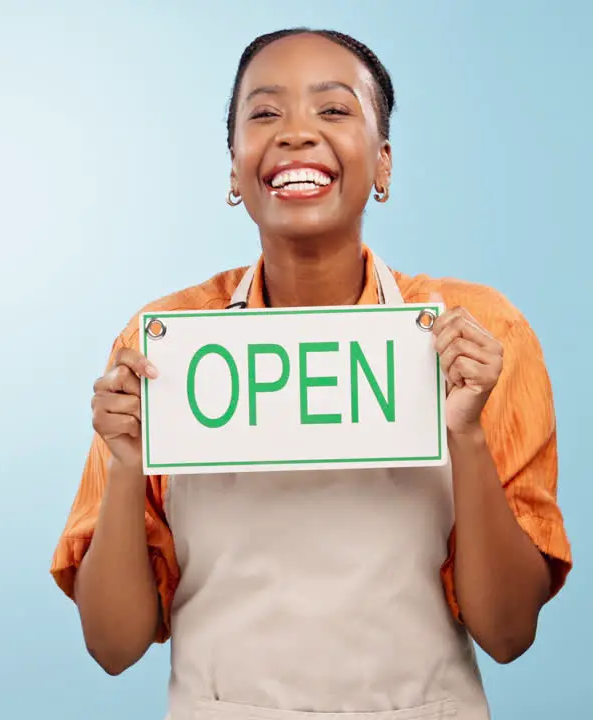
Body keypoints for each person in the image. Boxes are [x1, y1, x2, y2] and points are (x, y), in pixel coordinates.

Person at [49, 28, 572, 720]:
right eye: (265, 114)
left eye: (333, 110)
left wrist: (467, 436)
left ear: (383, 164)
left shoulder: (478, 332)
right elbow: (112, 647)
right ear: (235, 170)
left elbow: (508, 633)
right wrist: (125, 465)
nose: (297, 134)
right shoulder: (164, 344)